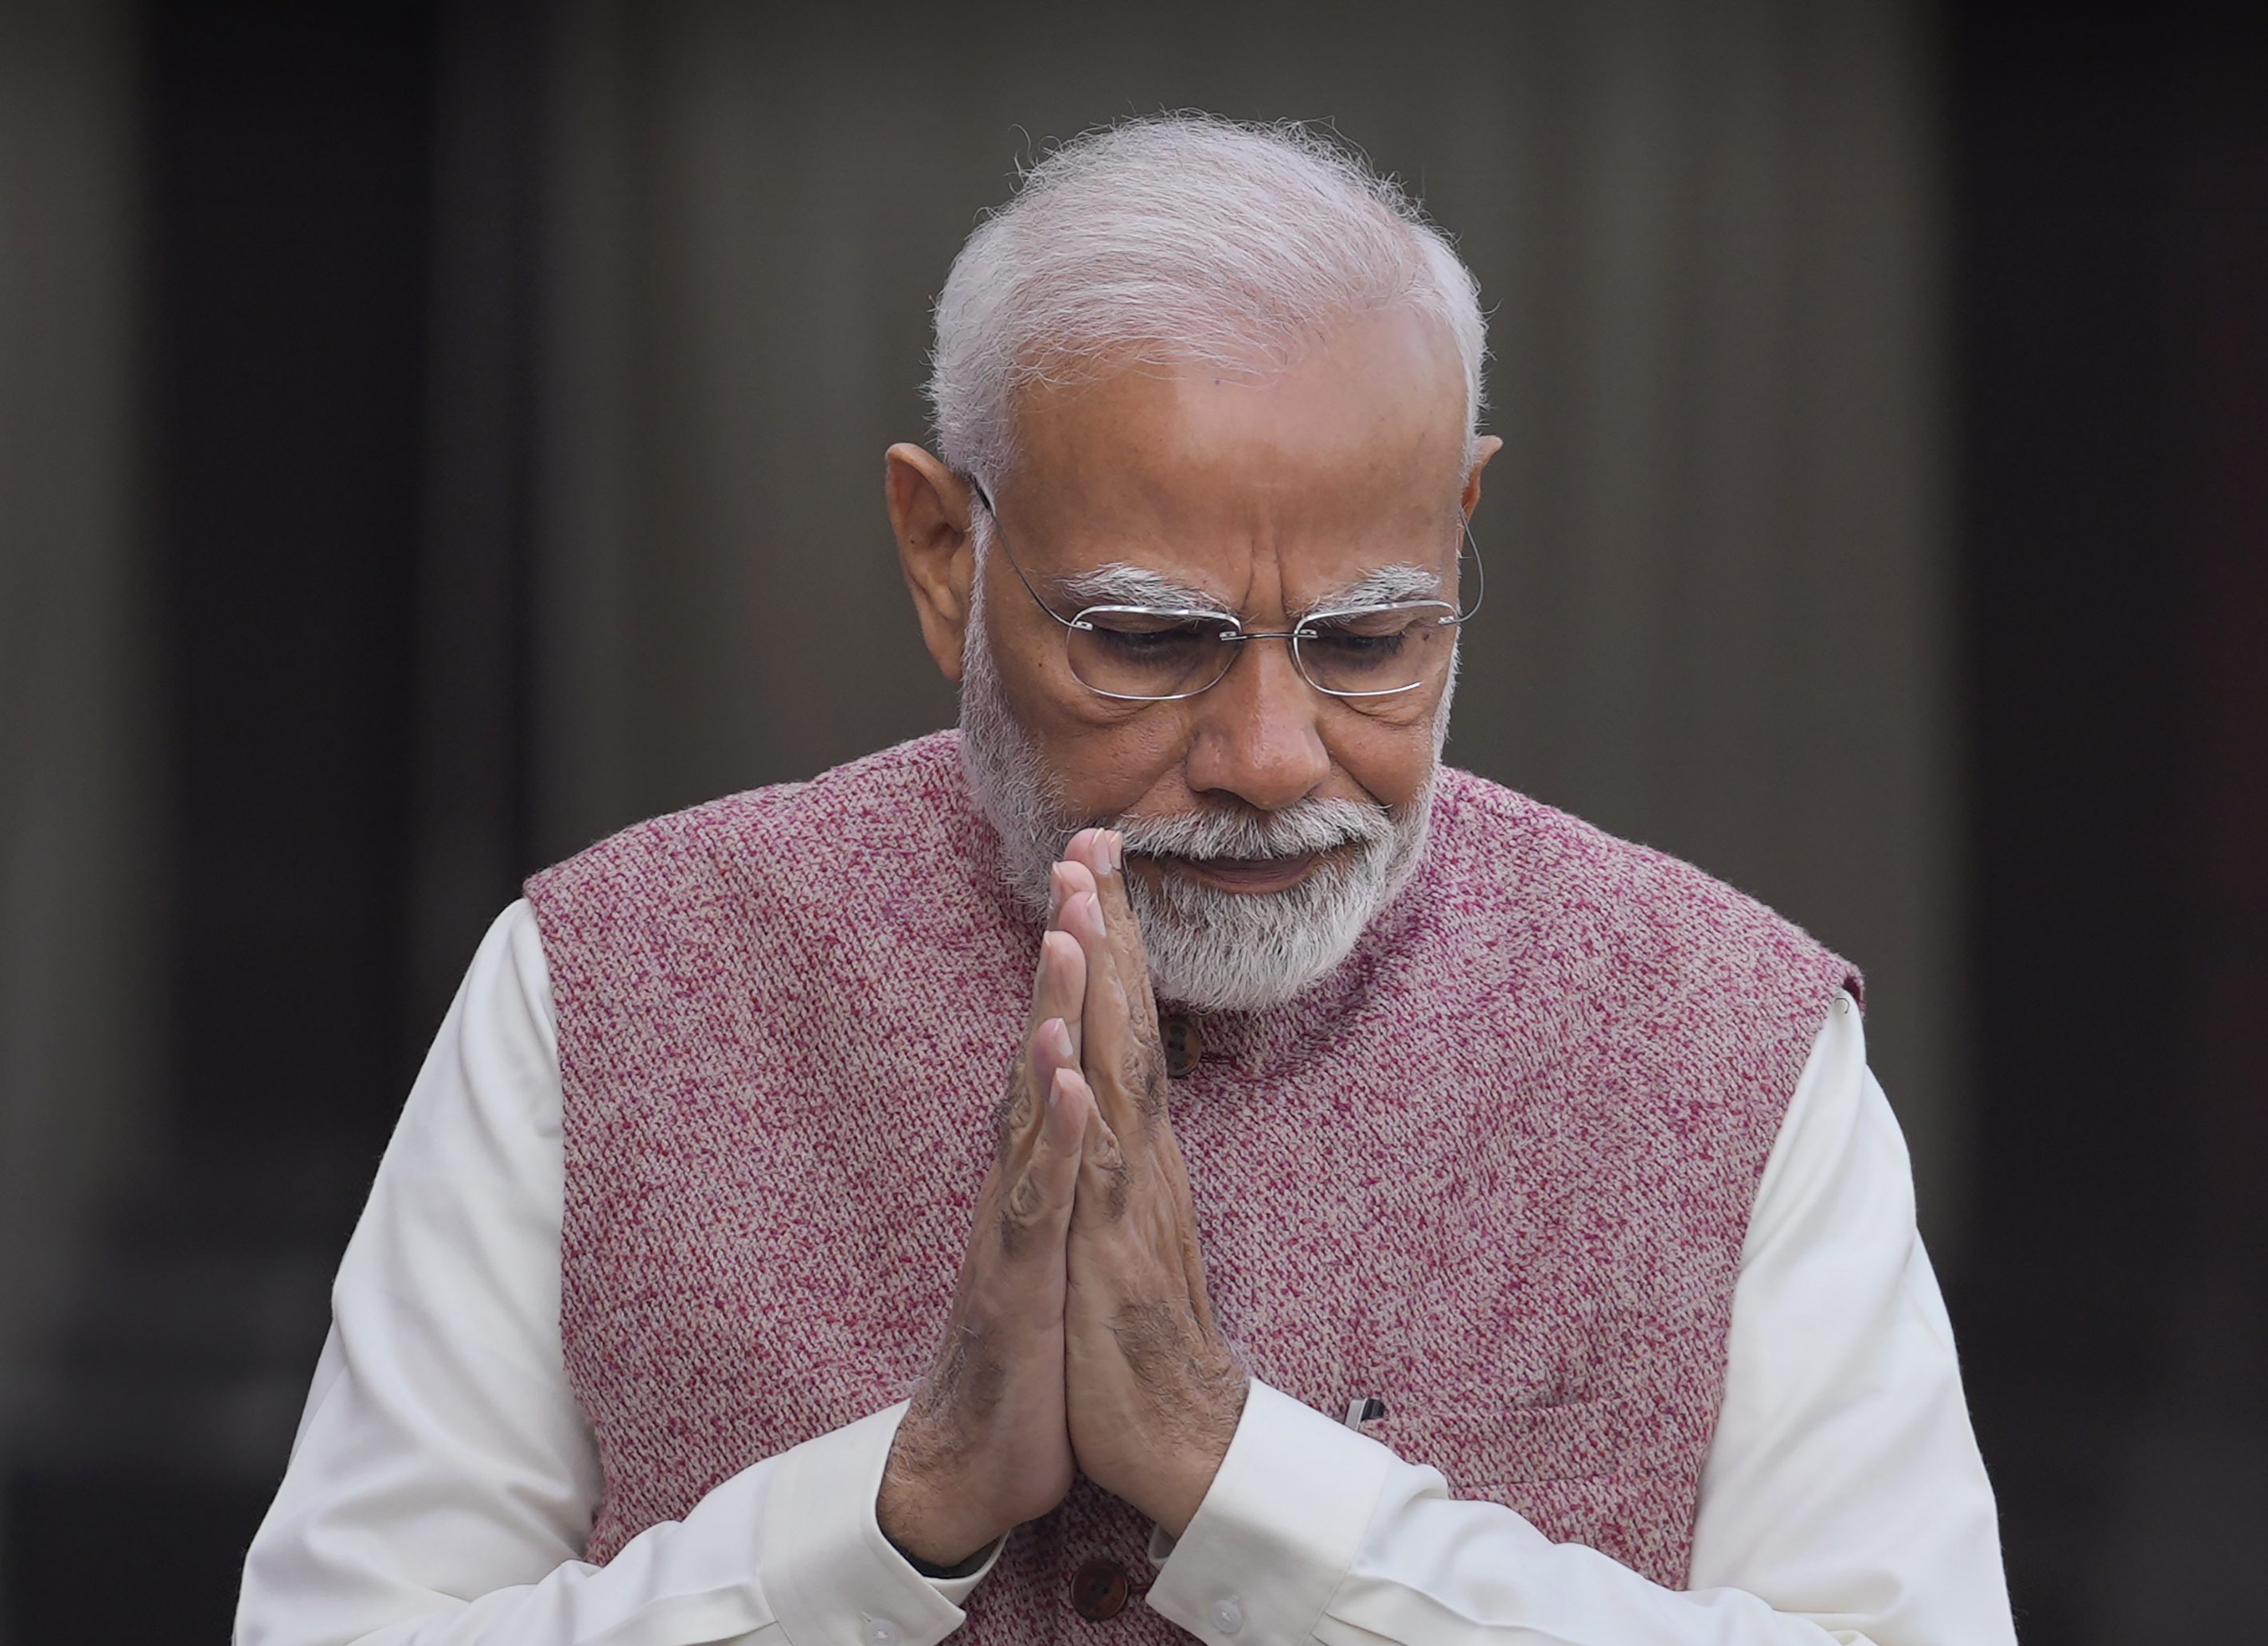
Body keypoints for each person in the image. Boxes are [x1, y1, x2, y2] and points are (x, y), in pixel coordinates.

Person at [236, 115, 2015, 1646]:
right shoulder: (609, 980)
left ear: (1462, 533)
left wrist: (1253, 1483)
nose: (1268, 750)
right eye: (1150, 639)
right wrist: (908, 1496)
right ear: (946, 552)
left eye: (1372, 636)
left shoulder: (1724, 1032)